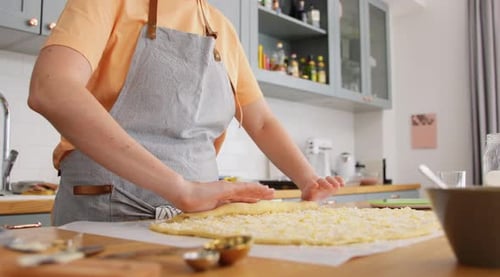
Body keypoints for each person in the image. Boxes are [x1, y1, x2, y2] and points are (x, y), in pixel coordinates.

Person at [28, 0, 344, 226]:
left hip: (202, 222)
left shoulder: (221, 28)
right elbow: (51, 89)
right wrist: (182, 189)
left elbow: (261, 121)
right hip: (106, 211)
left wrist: (309, 181)